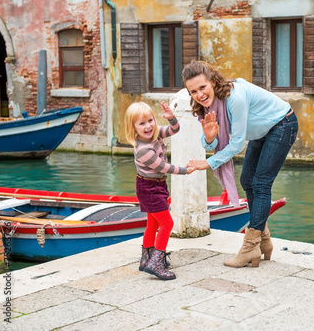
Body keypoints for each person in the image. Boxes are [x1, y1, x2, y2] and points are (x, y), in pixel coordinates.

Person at [184, 61, 298, 268]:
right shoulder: (208, 106)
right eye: (193, 91)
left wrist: (208, 163)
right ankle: (263, 242)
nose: (199, 95)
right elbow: (211, 140)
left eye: (202, 87)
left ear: (213, 82)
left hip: (282, 124)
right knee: (247, 180)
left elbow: (236, 144)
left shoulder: (234, 98)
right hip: (262, 131)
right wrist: (209, 138)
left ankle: (250, 246)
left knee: (261, 183)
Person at [124, 101, 188, 280]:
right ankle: (156, 263)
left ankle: (146, 259)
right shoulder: (143, 150)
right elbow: (162, 167)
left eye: (150, 120)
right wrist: (185, 170)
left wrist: (171, 117)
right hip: (149, 188)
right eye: (142, 123)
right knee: (167, 224)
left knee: (152, 223)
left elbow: (174, 130)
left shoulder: (155, 133)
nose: (148, 126)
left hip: (155, 186)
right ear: (133, 128)